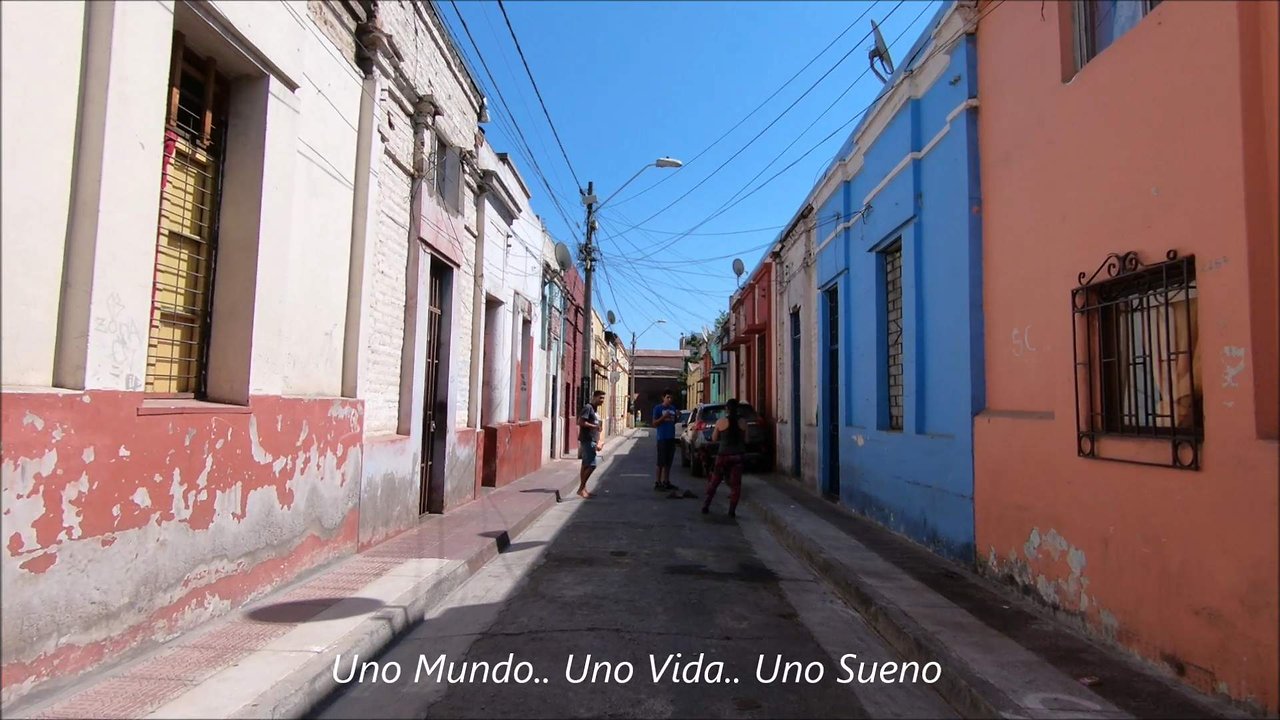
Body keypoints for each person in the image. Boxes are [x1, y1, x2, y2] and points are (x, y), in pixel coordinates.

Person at [702, 398, 748, 518]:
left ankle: (706, 505)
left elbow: (714, 438)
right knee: (736, 485)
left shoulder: (721, 422)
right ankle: (732, 510)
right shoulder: (743, 422)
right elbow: (746, 440)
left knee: (715, 481)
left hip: (723, 455)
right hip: (738, 456)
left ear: (726, 409)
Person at [577, 390, 607, 499]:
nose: (602, 400)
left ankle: (583, 489)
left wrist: (599, 440)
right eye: (600, 398)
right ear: (594, 397)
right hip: (587, 440)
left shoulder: (595, 410)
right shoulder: (588, 408)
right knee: (592, 465)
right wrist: (594, 426)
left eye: (603, 398)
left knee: (585, 464)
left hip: (592, 440)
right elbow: (580, 422)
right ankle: (581, 488)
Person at [651, 390, 680, 491]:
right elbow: (654, 423)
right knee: (661, 462)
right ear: (663, 398)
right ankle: (658, 482)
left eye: (671, 398)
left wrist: (677, 416)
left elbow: (674, 421)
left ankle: (666, 481)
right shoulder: (658, 408)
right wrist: (663, 417)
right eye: (667, 397)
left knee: (668, 462)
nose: (669, 400)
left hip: (671, 438)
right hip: (662, 438)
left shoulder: (672, 408)